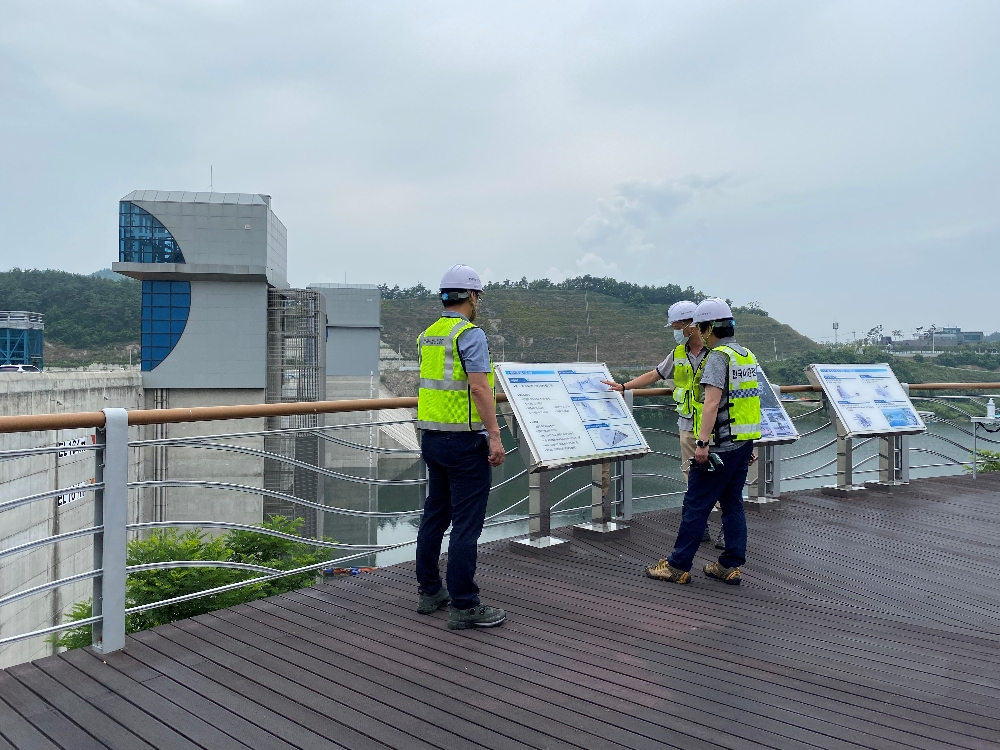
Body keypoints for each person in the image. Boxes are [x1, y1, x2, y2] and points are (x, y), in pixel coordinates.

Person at [414, 264, 507, 630]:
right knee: (466, 526)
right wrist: (495, 436)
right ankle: (465, 606)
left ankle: (430, 592)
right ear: (472, 296)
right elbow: (480, 388)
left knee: (435, 516)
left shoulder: (428, 335)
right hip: (465, 442)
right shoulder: (470, 335)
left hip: (432, 439)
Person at [644, 298, 761, 586]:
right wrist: (750, 442)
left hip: (719, 447)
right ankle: (729, 565)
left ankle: (677, 566)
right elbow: (750, 402)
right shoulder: (746, 355)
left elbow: (711, 404)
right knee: (732, 504)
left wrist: (702, 444)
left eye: (701, 327)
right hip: (742, 443)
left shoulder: (717, 357)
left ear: (709, 328)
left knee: (695, 505)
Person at [602, 300, 714, 542]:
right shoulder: (679, 353)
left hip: (714, 426)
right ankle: (700, 525)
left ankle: (726, 527)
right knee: (692, 476)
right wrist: (624, 386)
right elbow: (656, 374)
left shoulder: (716, 351)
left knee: (718, 477)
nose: (676, 332)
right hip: (687, 426)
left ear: (691, 325)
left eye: (677, 327)